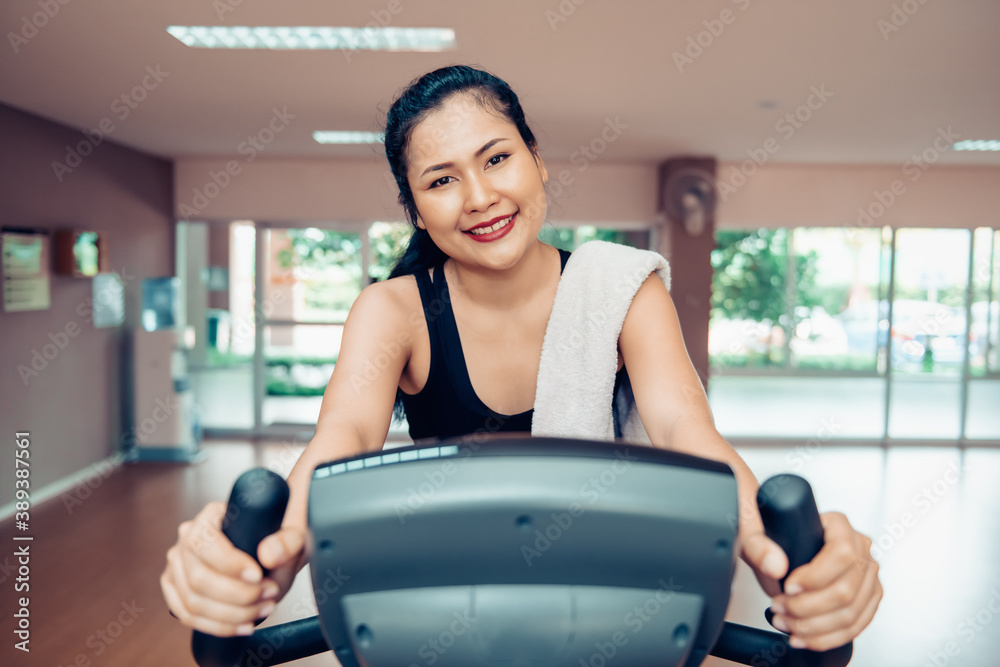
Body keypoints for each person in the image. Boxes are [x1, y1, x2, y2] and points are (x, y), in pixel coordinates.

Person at [161, 65, 881, 653]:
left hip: (599, 607)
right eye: (441, 180)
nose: (480, 197)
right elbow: (341, 438)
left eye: (497, 158)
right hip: (443, 614)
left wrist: (782, 563)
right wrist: (269, 555)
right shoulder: (393, 310)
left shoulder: (621, 289)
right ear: (415, 209)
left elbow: (686, 431)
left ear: (537, 161)